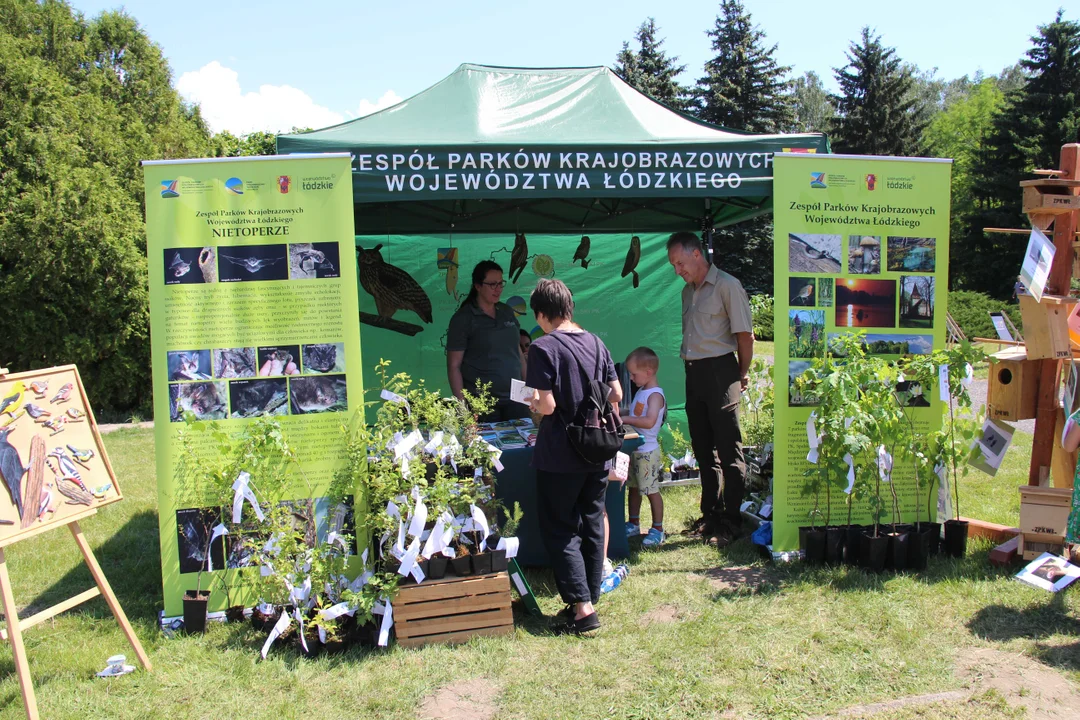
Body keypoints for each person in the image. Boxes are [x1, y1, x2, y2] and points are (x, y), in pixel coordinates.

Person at [526, 278, 622, 636]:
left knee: (561, 526)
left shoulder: (543, 347)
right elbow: (616, 393)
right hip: (596, 449)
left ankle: (582, 610)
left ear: (541, 313)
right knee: (592, 521)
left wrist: (533, 402)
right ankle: (590, 597)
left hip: (560, 453)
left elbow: (548, 406)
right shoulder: (596, 342)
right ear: (569, 307)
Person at [667, 231, 754, 549]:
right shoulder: (687, 293)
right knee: (703, 449)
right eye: (673, 265)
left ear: (696, 254)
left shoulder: (728, 286)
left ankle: (732, 520)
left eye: (680, 263)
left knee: (729, 449)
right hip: (695, 373)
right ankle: (710, 514)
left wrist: (740, 374)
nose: (678, 270)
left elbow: (745, 336)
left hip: (721, 371)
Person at [447, 261, 529, 422]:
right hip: (483, 403)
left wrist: (529, 393)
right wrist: (462, 409)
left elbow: (518, 356)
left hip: (517, 399)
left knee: (525, 445)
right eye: (492, 284)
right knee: (487, 447)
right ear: (477, 286)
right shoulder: (463, 318)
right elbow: (453, 366)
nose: (498, 289)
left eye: (500, 283)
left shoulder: (506, 311)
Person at [621, 347, 666, 548]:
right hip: (636, 450)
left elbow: (648, 421)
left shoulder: (655, 395)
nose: (631, 377)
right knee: (634, 487)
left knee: (650, 490)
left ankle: (657, 528)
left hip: (647, 452)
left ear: (648, 373)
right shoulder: (642, 390)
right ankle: (633, 523)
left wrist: (623, 418)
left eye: (633, 373)